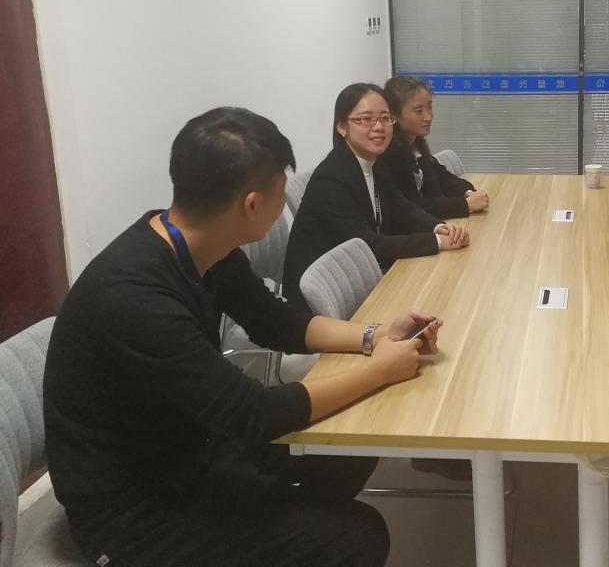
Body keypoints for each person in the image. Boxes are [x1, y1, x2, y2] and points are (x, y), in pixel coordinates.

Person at [44, 107, 442, 567]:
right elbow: (254, 413)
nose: (284, 203)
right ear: (251, 204)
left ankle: (287, 523)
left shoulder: (200, 243)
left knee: (352, 449)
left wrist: (375, 335)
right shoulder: (135, 298)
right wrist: (379, 373)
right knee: (358, 535)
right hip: (136, 512)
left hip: (193, 451)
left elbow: (276, 322)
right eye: (280, 191)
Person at [283, 83, 469, 311]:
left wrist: (438, 227)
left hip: (358, 279)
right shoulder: (332, 179)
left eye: (384, 118)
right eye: (365, 119)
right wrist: (437, 242)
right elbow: (369, 245)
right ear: (342, 126)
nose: (379, 127)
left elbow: (402, 208)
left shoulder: (373, 163)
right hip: (321, 303)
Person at [377, 75, 489, 219]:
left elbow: (443, 177)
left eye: (429, 107)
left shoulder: (416, 144)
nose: (428, 116)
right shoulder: (389, 154)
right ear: (394, 116)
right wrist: (464, 205)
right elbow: (410, 207)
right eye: (419, 111)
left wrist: (468, 193)